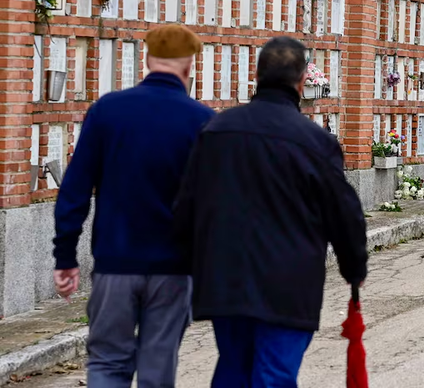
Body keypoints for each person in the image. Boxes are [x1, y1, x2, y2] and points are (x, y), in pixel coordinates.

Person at [174, 37, 368, 385]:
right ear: (302, 80)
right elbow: (343, 211)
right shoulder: (315, 142)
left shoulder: (216, 130)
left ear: (257, 75)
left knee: (234, 368)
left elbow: (187, 203)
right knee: (274, 375)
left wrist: (188, 263)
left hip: (226, 278)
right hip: (289, 283)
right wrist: (353, 267)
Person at [52, 25, 212, 387]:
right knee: (158, 366)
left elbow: (75, 189)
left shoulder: (108, 111)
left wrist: (65, 257)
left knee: (107, 363)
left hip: (115, 263)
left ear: (147, 59)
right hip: (175, 268)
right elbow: (215, 203)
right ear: (190, 65)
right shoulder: (202, 121)